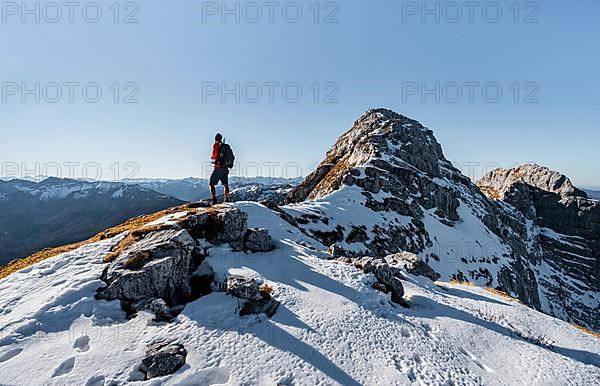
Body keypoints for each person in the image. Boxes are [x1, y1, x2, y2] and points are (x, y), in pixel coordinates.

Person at [209, 133, 229, 205]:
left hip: (218, 168)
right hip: (225, 168)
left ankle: (214, 200)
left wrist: (213, 157)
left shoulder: (216, 145)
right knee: (225, 184)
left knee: (211, 184)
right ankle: (226, 199)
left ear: (215, 138)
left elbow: (214, 155)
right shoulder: (225, 146)